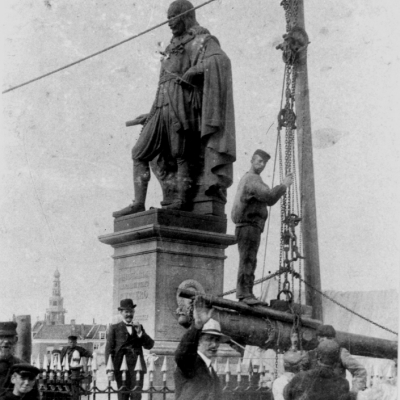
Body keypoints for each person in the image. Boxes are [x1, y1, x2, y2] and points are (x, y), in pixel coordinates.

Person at [113, 0, 235, 217]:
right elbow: (162, 84)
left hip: (182, 104)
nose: (169, 22)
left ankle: (182, 201)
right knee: (139, 152)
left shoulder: (201, 39)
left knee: (181, 153)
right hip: (161, 106)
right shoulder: (170, 47)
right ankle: (138, 202)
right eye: (167, 18)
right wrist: (150, 114)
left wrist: (196, 70)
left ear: (186, 16)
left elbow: (220, 61)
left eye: (173, 17)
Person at [231, 149, 293, 305]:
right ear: (252, 160)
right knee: (248, 259)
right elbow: (269, 197)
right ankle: (245, 295)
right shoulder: (252, 179)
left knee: (249, 259)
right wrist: (284, 185)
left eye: (264, 162)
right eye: (259, 161)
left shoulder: (247, 178)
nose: (262, 164)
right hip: (249, 226)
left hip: (248, 226)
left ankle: (247, 293)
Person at [174, 296, 230, 400]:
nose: (214, 345)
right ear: (198, 340)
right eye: (209, 339)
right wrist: (197, 326)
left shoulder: (211, 371)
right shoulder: (190, 363)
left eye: (217, 340)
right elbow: (182, 354)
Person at [105, 299, 154, 400]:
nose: (129, 314)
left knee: (137, 396)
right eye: (126, 312)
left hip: (137, 368)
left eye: (131, 311)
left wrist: (140, 333)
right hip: (121, 367)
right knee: (123, 396)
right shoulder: (114, 328)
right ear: (121, 312)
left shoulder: (139, 327)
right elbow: (108, 349)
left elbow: (149, 345)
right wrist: (109, 369)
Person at [283, 340, 352, 400]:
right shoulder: (343, 384)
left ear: (316, 356)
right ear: (337, 359)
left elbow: (286, 395)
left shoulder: (300, 377)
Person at [310, 325, 367, 393]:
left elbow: (360, 371)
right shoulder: (311, 354)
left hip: (336, 394)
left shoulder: (341, 352)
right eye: (328, 338)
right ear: (319, 338)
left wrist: (354, 393)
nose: (331, 341)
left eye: (332, 338)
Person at [0, 322, 24, 392]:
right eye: (1, 337)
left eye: (9, 337)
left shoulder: (22, 366)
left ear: (15, 339)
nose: (6, 341)